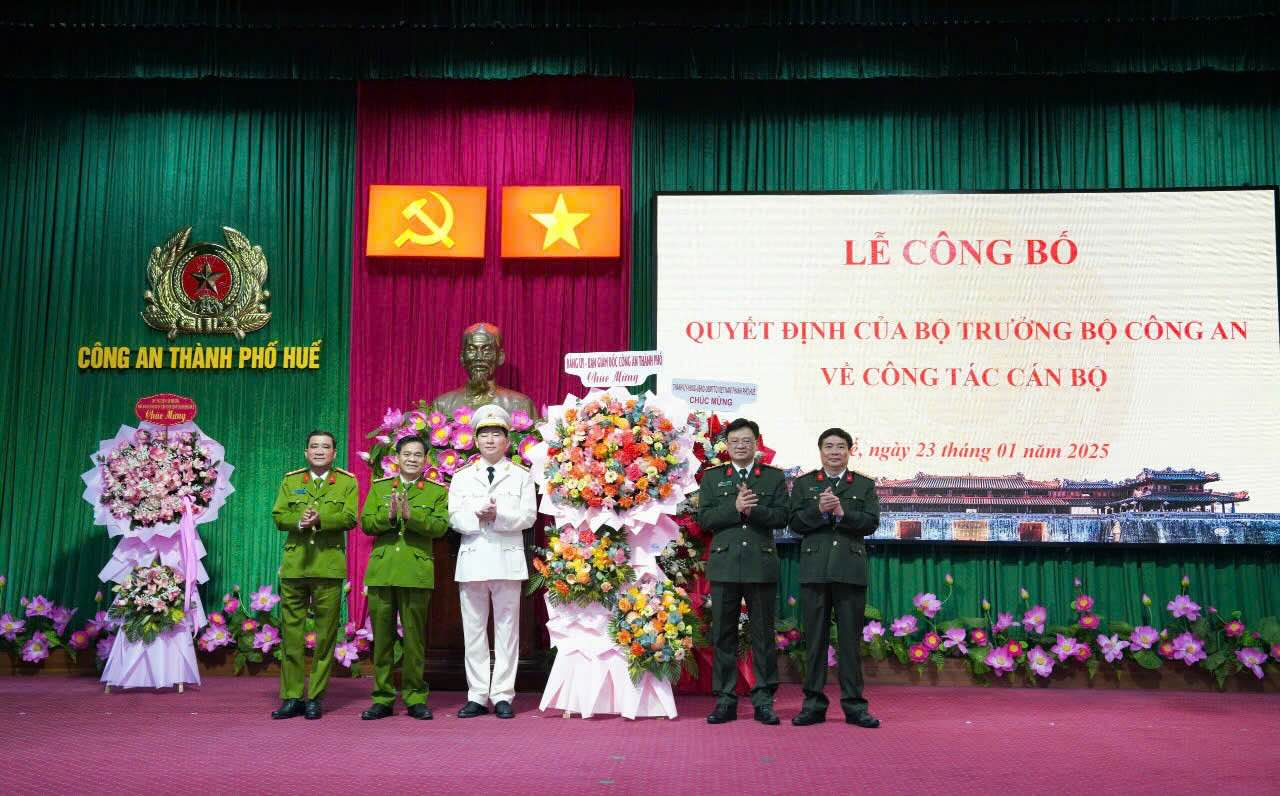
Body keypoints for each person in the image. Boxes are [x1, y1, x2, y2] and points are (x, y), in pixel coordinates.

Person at [696, 418, 788, 725]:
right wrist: (734, 508)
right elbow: (705, 520)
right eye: (735, 441)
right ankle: (725, 700)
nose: (740, 446)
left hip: (760, 565)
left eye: (746, 440)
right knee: (723, 634)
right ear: (727, 445)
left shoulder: (772, 478)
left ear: (756, 443)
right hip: (724, 565)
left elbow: (782, 516)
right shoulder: (713, 478)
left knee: (762, 635)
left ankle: (764, 700)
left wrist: (754, 511)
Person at [447, 405, 537, 719]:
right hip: (472, 559)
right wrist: (477, 516)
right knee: (473, 630)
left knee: (507, 630)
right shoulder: (461, 477)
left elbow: (528, 516)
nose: (489, 439)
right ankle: (477, 694)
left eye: (496, 433)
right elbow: (454, 517)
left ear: (507, 440)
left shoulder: (522, 476)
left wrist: (498, 516)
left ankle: (502, 694)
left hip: (507, 560)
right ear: (475, 439)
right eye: (484, 434)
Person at [788, 427, 881, 728]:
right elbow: (794, 524)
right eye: (829, 446)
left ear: (849, 451)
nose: (835, 452)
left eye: (841, 446)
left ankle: (855, 707)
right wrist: (818, 509)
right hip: (814, 571)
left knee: (850, 643)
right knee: (814, 641)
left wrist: (842, 513)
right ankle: (813, 705)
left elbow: (871, 523)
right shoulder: (804, 484)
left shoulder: (864, 485)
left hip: (849, 572)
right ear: (820, 451)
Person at [358, 435, 449, 720]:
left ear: (426, 460)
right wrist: (389, 516)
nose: (412, 459)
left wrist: (412, 518)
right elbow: (365, 523)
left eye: (418, 455)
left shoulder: (436, 491)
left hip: (415, 573)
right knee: (382, 639)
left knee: (414, 640)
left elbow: (440, 527)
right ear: (396, 458)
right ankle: (383, 698)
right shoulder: (380, 487)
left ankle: (414, 697)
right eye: (406, 454)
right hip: (383, 572)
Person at [269, 430, 358, 720]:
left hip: (327, 567)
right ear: (305, 452)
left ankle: (315, 698)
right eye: (314, 446)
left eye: (326, 447)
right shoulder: (291, 480)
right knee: (291, 635)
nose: (319, 451)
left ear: (334, 453)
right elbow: (278, 516)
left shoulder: (346, 482)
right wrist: (299, 521)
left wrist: (321, 520)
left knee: (325, 636)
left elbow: (349, 518)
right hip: (295, 567)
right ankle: (292, 697)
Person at [430, 322, 536, 418]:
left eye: (487, 350)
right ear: (462, 357)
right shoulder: (442, 405)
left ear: (500, 357)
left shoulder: (520, 404)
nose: (479, 357)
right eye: (471, 350)